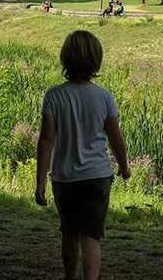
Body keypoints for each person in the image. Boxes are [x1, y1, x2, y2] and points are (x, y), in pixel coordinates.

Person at [36, 30, 131, 280]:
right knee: (91, 235)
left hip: (64, 177)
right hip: (97, 176)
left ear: (64, 59)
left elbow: (45, 141)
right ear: (96, 60)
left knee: (69, 232)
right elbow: (116, 140)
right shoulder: (103, 96)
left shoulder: (54, 96)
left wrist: (39, 182)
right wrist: (124, 167)